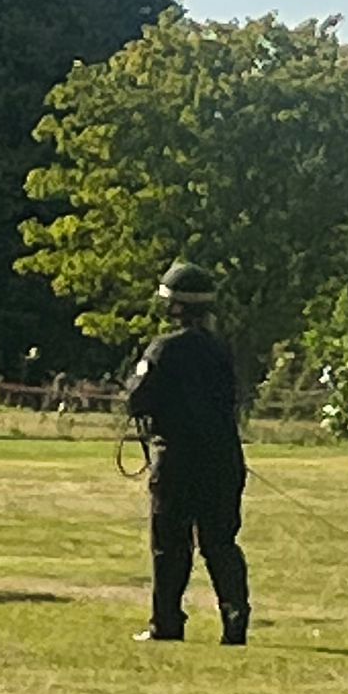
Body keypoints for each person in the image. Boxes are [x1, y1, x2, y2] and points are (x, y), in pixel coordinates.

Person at [126, 261, 248, 646]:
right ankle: (234, 615)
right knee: (220, 542)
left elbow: (136, 397)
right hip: (223, 459)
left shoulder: (163, 349)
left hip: (177, 460)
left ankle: (167, 623)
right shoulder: (221, 350)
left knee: (171, 545)